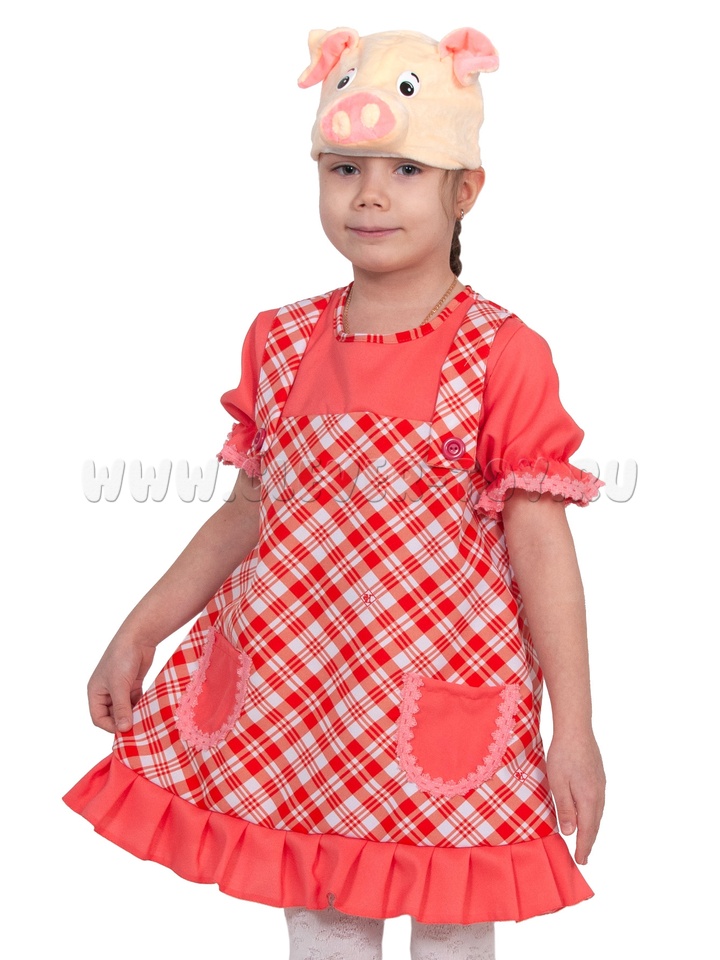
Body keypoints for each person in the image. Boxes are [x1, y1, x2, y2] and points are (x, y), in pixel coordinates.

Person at [64, 26, 606, 960]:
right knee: (323, 929)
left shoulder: (503, 355)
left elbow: (542, 546)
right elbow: (247, 512)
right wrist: (138, 632)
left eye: (406, 169)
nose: (369, 194)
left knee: (450, 928)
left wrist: (577, 727)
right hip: (299, 704)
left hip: (439, 701)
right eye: (344, 168)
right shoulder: (281, 341)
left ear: (464, 190)